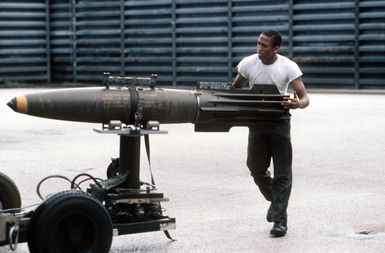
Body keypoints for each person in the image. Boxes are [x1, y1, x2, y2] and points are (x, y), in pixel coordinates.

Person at [232, 29, 309, 237]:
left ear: (276, 48)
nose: (259, 48)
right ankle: (277, 201)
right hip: (256, 122)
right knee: (255, 168)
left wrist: (296, 104)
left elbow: (304, 98)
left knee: (283, 172)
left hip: (279, 123)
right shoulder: (248, 63)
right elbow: (236, 88)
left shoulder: (288, 66)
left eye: (264, 45)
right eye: (258, 43)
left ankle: (280, 221)